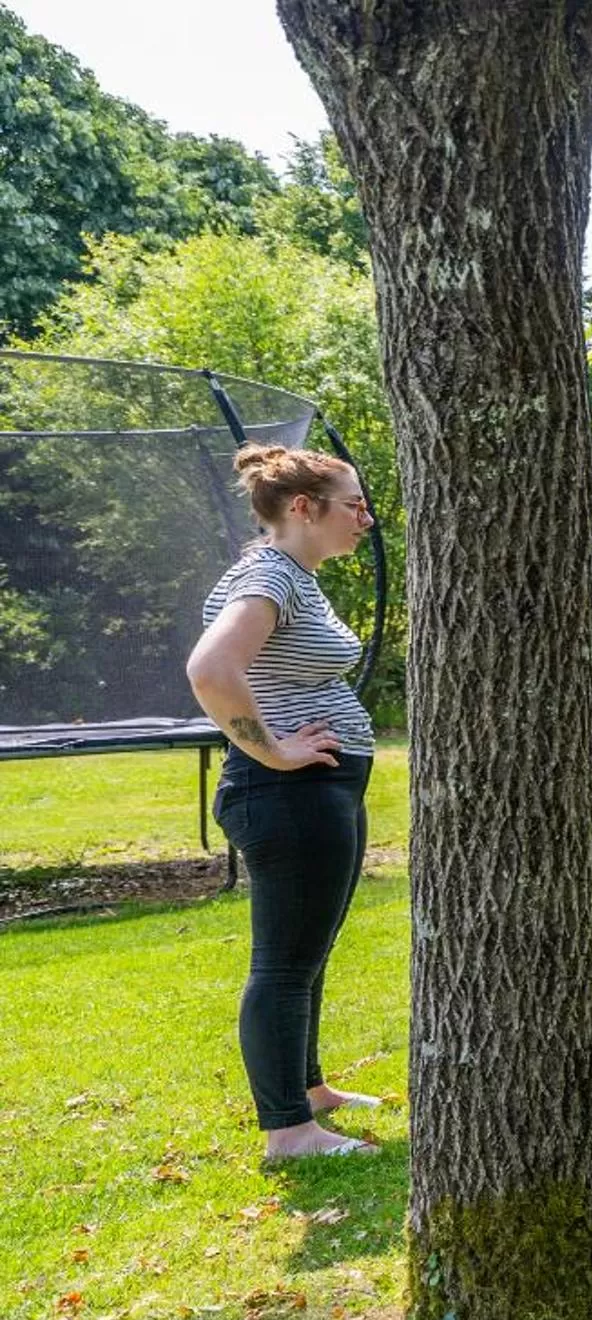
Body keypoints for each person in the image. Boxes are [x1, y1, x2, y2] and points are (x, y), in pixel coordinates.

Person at [184, 443, 385, 1163]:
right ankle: (289, 1132)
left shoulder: (288, 573)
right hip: (287, 791)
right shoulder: (269, 575)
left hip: (315, 788)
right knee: (284, 963)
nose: (365, 518)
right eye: (353, 505)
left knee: (308, 949)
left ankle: (309, 1091)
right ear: (304, 507)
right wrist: (271, 750)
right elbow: (212, 668)